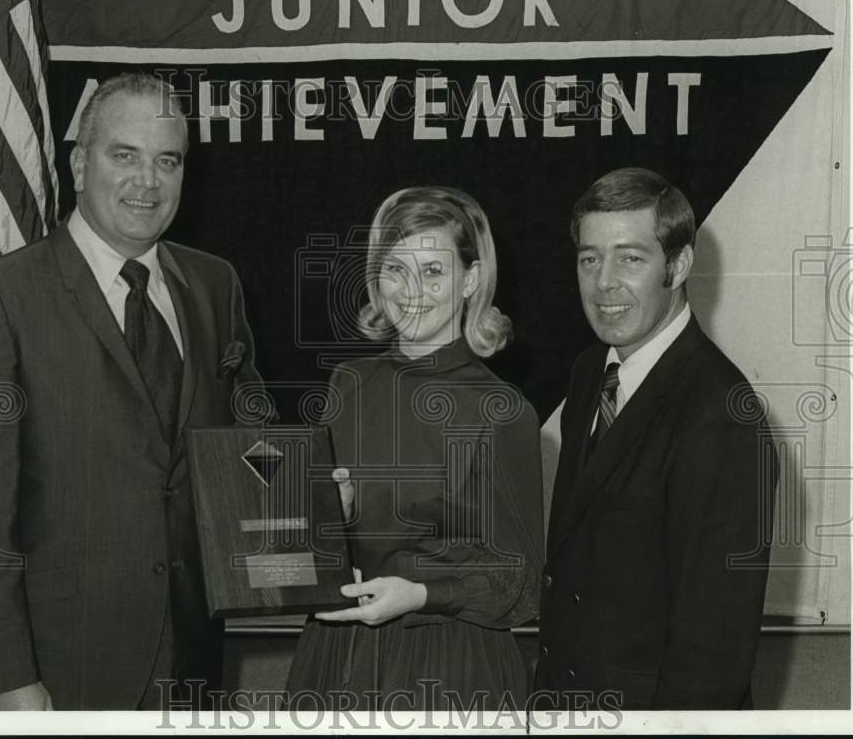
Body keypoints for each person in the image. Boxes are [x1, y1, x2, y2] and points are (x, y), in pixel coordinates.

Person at [0, 72, 263, 710]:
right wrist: (7, 683)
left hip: (195, 659)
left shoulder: (215, 284)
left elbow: (249, 434)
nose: (148, 181)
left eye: (168, 161)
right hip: (60, 668)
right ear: (80, 164)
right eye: (124, 155)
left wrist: (312, 490)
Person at [285, 187, 544, 711]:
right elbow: (320, 543)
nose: (411, 290)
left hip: (449, 665)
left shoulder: (502, 410)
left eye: (433, 271)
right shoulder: (348, 383)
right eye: (396, 269)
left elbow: (521, 583)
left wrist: (421, 593)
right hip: (339, 654)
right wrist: (332, 517)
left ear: (471, 280)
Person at [533, 167, 776, 710]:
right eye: (589, 258)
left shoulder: (723, 413)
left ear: (679, 263)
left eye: (631, 258)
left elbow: (716, 647)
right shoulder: (590, 370)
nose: (604, 283)